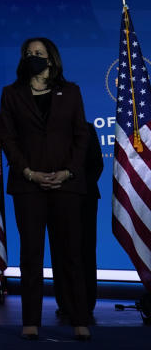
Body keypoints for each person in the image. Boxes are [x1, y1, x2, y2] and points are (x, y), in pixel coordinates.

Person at [0, 37, 91, 341]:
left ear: (51, 59)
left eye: (38, 53)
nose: (32, 57)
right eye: (28, 53)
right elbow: (8, 139)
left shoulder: (72, 92)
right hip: (29, 187)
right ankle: (31, 321)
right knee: (31, 256)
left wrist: (67, 172)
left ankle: (79, 319)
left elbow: (81, 137)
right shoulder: (12, 94)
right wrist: (29, 173)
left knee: (70, 255)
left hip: (67, 185)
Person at [54, 123, 103, 322]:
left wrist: (76, 186)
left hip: (84, 199)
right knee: (60, 251)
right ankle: (65, 303)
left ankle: (87, 303)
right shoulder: (49, 131)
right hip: (56, 198)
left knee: (85, 252)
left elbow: (97, 165)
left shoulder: (86, 129)